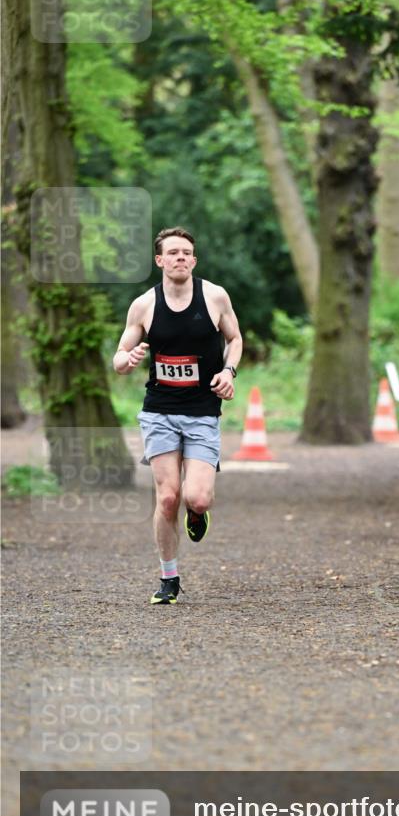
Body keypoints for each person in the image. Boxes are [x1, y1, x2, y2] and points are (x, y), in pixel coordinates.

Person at [113, 226, 242, 604]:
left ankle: (198, 515)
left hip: (203, 412)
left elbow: (234, 339)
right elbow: (119, 357)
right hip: (160, 412)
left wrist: (228, 372)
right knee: (167, 498)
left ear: (194, 260)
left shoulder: (215, 297)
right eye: (173, 252)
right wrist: (129, 359)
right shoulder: (143, 305)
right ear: (160, 260)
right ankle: (168, 579)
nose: (180, 257)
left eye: (186, 252)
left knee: (196, 498)